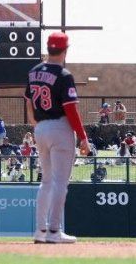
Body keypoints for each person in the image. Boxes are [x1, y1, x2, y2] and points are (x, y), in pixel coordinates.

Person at [25, 32, 89, 244]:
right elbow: (71, 110)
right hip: (59, 127)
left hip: (40, 127)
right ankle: (54, 231)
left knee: (46, 181)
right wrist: (83, 137)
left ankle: (40, 231)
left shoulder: (33, 72)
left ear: (48, 47)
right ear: (65, 50)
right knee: (60, 182)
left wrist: (37, 126)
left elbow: (28, 103)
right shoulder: (63, 74)